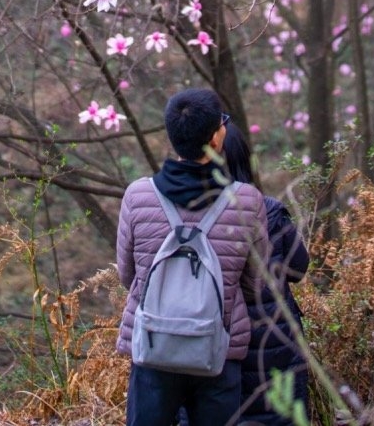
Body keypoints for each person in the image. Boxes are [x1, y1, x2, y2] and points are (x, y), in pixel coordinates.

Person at [116, 88, 270, 426]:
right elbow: (256, 284)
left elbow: (129, 275)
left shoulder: (137, 195)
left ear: (172, 138)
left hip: (154, 349)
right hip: (217, 349)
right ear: (216, 139)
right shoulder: (247, 201)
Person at [223, 121, 310, 426]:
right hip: (276, 342)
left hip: (220, 344)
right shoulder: (270, 210)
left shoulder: (197, 216)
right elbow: (299, 268)